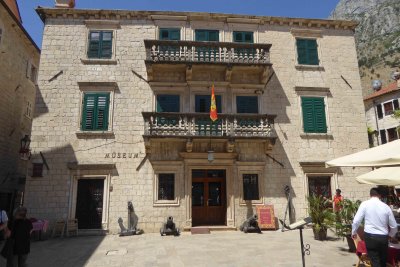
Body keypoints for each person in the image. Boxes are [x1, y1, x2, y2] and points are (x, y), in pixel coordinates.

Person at [352, 188, 398, 267]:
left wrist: (354, 232)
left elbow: (356, 221)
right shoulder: (386, 207)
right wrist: (390, 235)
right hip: (383, 237)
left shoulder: (365, 204)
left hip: (370, 236)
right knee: (383, 261)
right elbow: (394, 226)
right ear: (379, 196)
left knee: (374, 260)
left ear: (370, 195)